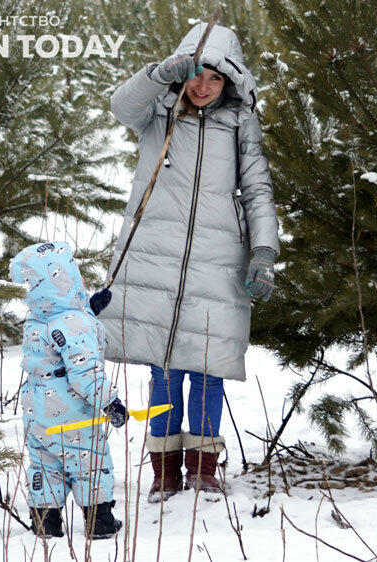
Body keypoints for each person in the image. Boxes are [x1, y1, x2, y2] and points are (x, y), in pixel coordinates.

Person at [99, 23, 279, 502]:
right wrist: (159, 74)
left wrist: (264, 250)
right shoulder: (156, 112)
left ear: (230, 83)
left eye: (216, 79)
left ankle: (202, 469)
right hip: (155, 257)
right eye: (197, 75)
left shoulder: (240, 121)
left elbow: (258, 189)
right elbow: (120, 106)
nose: (204, 86)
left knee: (206, 366)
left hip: (216, 262)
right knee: (162, 366)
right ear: (184, 73)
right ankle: (163, 472)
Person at [10, 241, 127, 539]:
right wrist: (110, 402)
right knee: (89, 459)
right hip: (72, 412)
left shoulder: (38, 317)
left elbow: (60, 332)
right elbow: (84, 371)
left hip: (37, 410)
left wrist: (88, 309)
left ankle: (45, 522)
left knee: (45, 462)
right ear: (66, 278)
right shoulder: (73, 323)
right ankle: (98, 522)